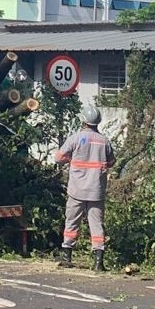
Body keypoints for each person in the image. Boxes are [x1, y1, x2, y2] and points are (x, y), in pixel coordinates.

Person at [54, 103, 116, 272]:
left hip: (77, 190)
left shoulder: (75, 138)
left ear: (83, 120)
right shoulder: (105, 141)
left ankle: (67, 256)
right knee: (96, 225)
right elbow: (111, 162)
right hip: (96, 191)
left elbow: (58, 157)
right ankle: (98, 261)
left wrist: (71, 160)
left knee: (72, 222)